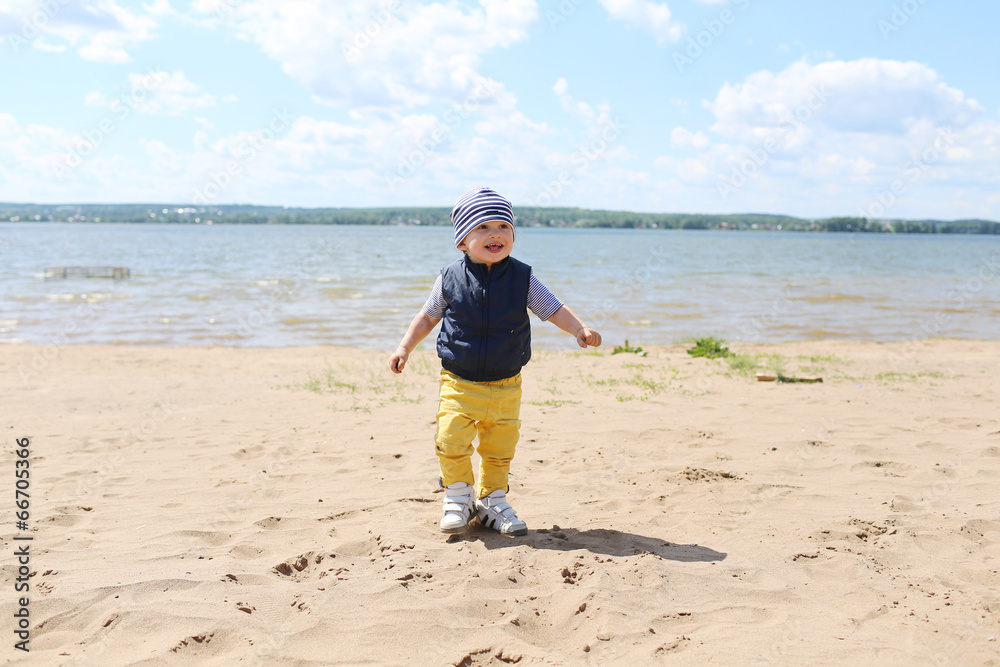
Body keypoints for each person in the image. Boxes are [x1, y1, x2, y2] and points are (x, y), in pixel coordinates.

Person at [388, 186, 602, 536]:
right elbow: (427, 317)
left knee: (500, 446)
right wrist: (404, 347)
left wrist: (579, 328)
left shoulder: (522, 278)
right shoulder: (449, 278)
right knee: (450, 439)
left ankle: (492, 500)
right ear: (462, 241)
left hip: (506, 385)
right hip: (459, 382)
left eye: (503, 227)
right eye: (484, 228)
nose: (496, 234)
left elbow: (552, 309)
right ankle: (458, 495)